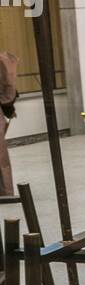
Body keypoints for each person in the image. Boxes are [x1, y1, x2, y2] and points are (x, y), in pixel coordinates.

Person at [0, 50, 18, 196]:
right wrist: (9, 107)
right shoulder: (3, 60)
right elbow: (8, 87)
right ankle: (5, 190)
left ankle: (5, 190)